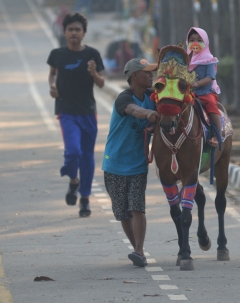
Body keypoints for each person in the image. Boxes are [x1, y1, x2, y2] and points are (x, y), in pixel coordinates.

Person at [102, 58, 160, 267]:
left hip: (137, 163)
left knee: (137, 207)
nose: (151, 76)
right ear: (135, 76)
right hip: (114, 163)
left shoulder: (152, 97)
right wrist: (150, 115)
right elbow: (135, 111)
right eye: (146, 72)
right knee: (123, 212)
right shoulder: (123, 98)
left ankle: (139, 251)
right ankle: (136, 248)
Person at [47, 12, 105, 217]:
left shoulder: (93, 55)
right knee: (73, 152)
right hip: (66, 112)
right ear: (64, 32)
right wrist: (52, 86)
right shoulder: (57, 54)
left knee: (87, 157)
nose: (74, 33)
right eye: (70, 29)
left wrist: (94, 73)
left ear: (83, 33)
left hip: (88, 112)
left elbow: (101, 83)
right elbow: (53, 74)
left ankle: (85, 198)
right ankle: (73, 180)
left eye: (77, 30)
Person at [186, 27, 222, 147]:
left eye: (199, 40)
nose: (195, 43)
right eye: (192, 40)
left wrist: (196, 84)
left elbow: (210, 77)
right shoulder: (185, 59)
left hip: (205, 93)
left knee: (211, 104)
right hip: (188, 93)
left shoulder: (209, 59)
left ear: (205, 42)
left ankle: (218, 134)